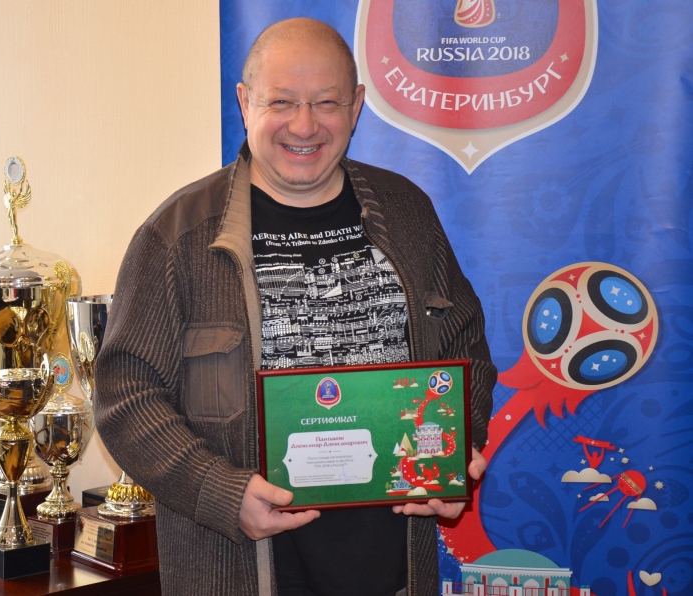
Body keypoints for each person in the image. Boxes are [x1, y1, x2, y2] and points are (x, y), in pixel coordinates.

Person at [95, 17, 496, 596]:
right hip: (239, 574)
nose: (304, 125)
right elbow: (124, 398)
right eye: (281, 101)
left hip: (393, 574)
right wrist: (221, 492)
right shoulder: (176, 237)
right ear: (245, 102)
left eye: (326, 102)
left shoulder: (408, 214)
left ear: (356, 106)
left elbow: (465, 344)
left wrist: (456, 450)